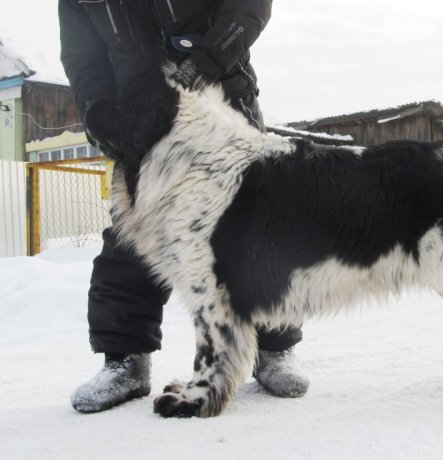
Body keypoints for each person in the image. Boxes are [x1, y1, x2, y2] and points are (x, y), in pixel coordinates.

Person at [58, 0, 309, 413]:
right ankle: (126, 361)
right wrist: (99, 114)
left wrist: (205, 63)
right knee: (134, 234)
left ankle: (274, 347)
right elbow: (82, 59)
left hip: (221, 99)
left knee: (258, 229)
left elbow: (250, 8)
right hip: (143, 115)